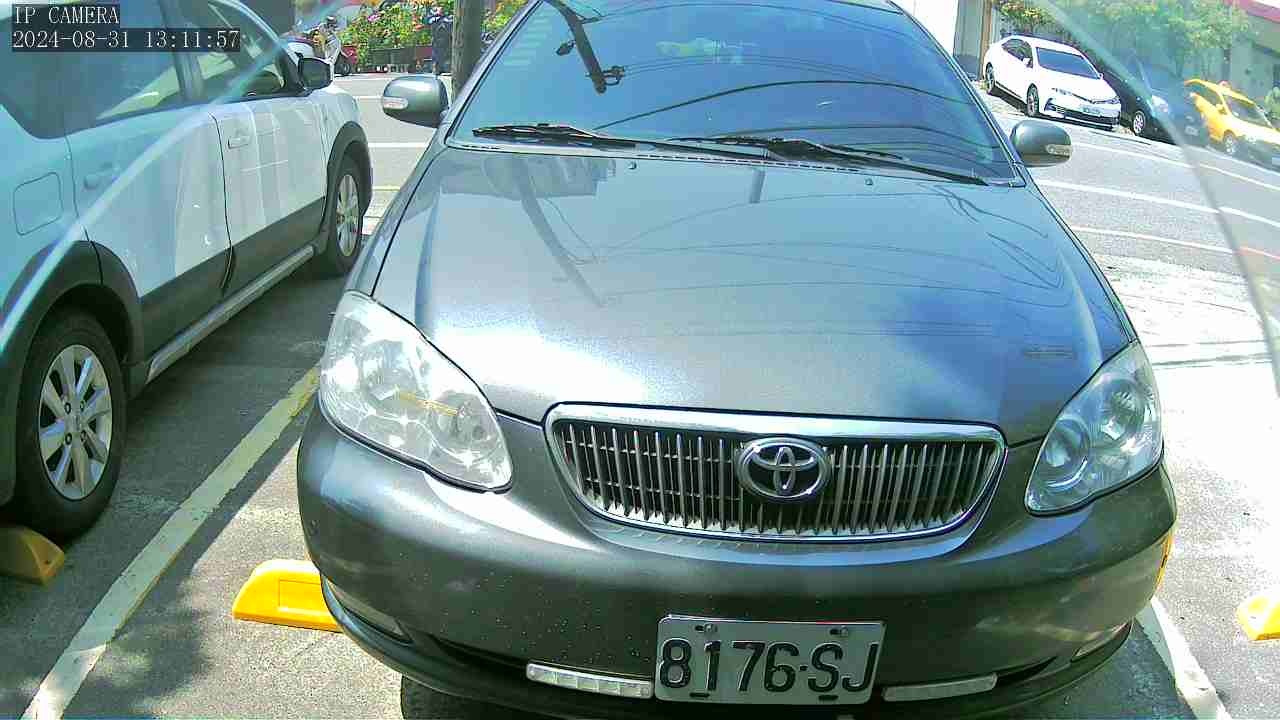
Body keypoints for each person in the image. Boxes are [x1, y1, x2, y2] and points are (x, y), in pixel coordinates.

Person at [428, 6, 453, 75]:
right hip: (438, 42)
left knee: (443, 56)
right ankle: (438, 69)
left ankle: (443, 68)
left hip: (445, 42)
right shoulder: (434, 20)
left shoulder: (447, 20)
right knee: (437, 56)